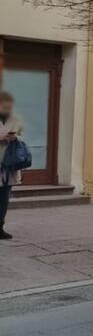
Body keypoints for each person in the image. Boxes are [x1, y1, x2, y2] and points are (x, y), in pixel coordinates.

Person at [0, 91, 25, 240]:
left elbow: (22, 137)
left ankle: (0, 227)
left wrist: (16, 137)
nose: (8, 109)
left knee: (3, 199)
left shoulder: (17, 119)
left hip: (8, 166)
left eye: (10, 107)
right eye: (4, 106)